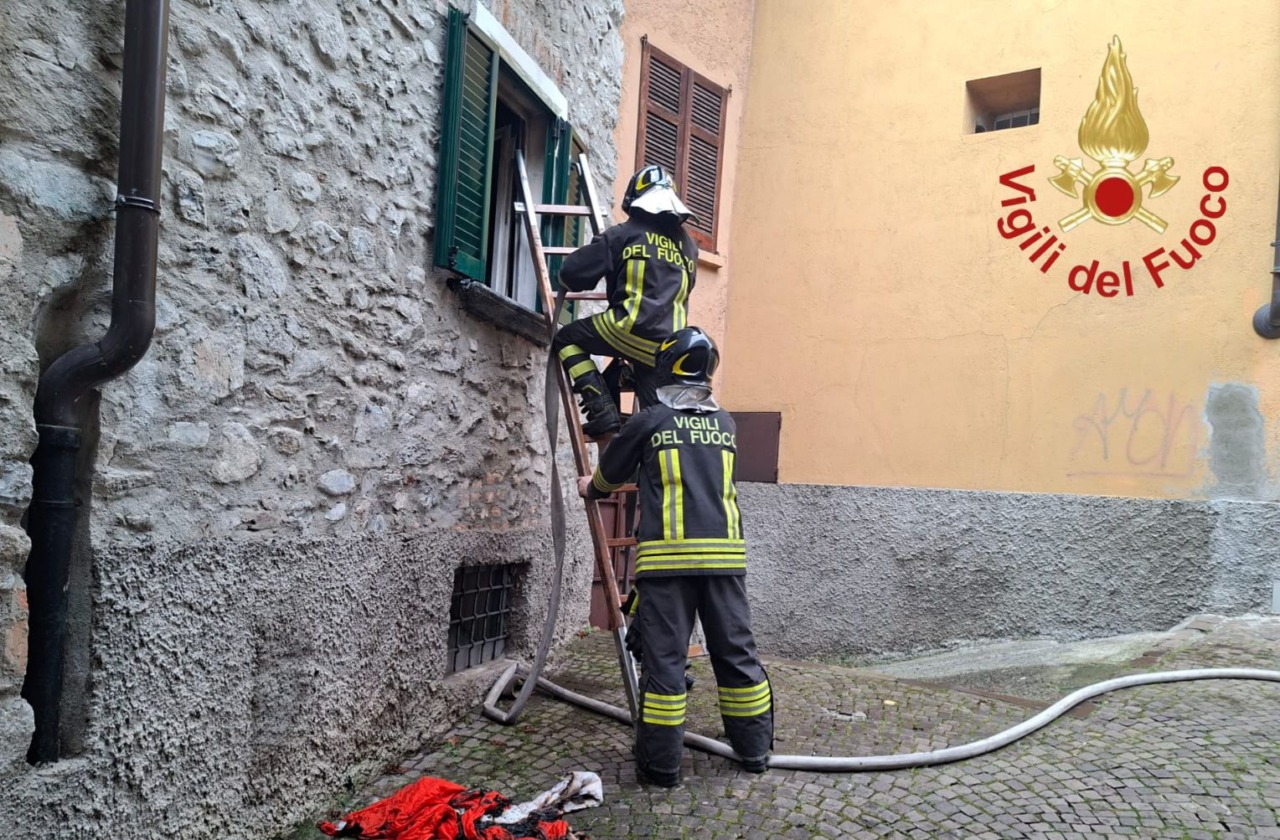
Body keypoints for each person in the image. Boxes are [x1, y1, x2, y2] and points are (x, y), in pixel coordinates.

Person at [576, 327, 773, 787]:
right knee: (736, 654)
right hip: (725, 560)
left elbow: (610, 474)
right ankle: (755, 752)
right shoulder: (725, 421)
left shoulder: (650, 421)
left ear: (666, 367)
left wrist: (592, 487)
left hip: (667, 562)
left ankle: (661, 768)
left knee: (665, 662)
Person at [552, 164, 698, 438]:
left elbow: (573, 276)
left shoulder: (624, 234)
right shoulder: (689, 247)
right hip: (668, 348)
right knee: (658, 424)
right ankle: (647, 471)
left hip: (626, 328)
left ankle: (601, 409)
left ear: (636, 199)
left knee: (566, 339)